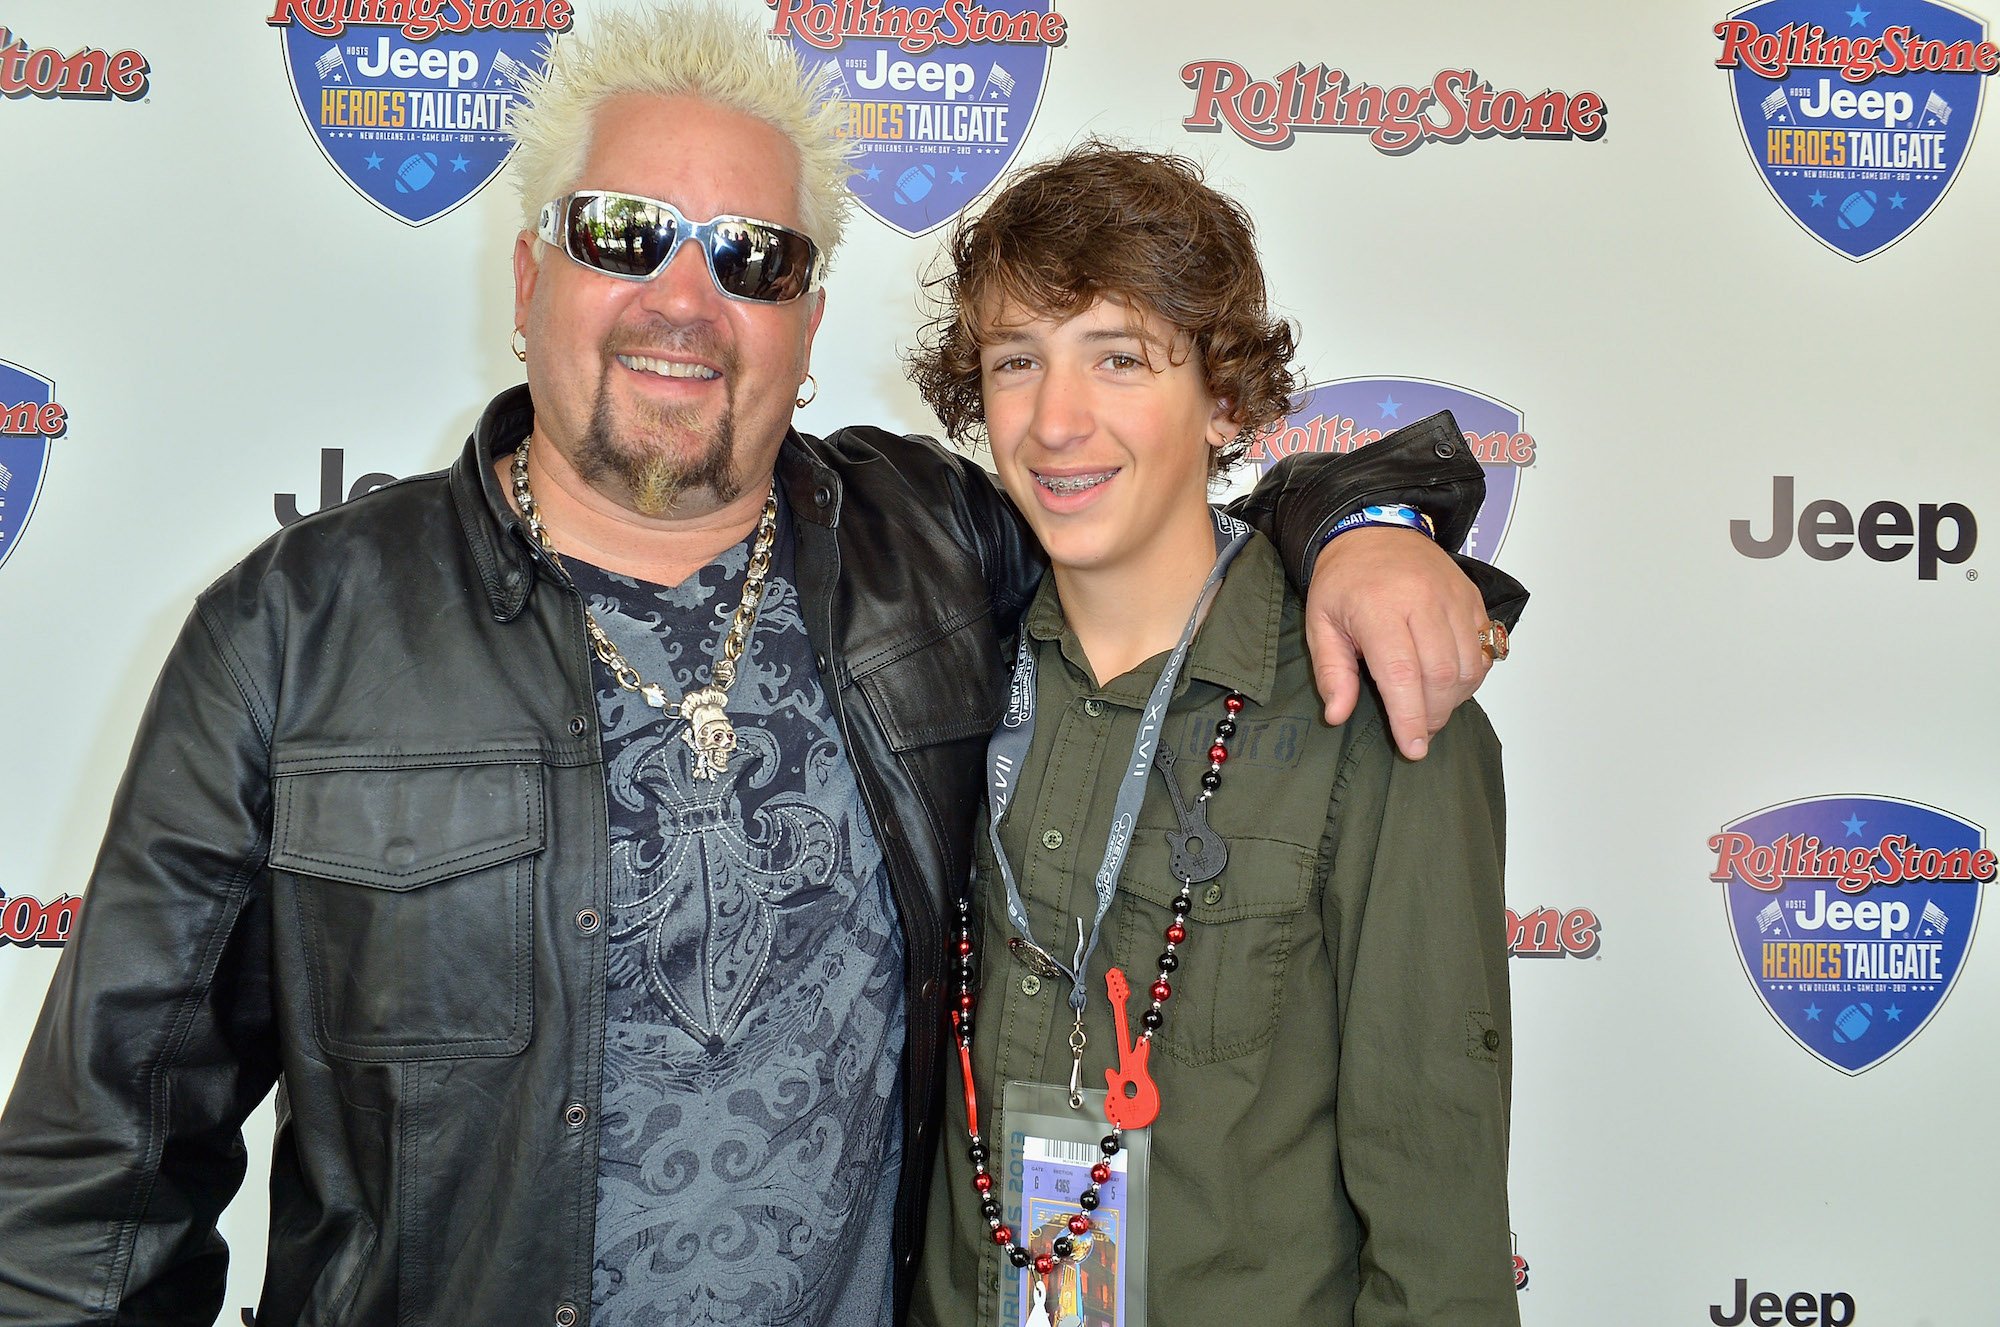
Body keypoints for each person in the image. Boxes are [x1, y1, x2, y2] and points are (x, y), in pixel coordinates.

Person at [0, 7, 1519, 1327]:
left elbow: (1172, 518)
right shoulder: (297, 630)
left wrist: (1369, 524)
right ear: (526, 278)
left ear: (806, 321)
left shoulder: (936, 550)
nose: (683, 300)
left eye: (751, 256)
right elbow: (99, 1174)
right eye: (621, 234)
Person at [906, 144, 1518, 1326]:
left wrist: (1372, 528)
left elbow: (1435, 1209)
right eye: (1016, 360)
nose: (1055, 421)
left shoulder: (1371, 711)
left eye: (1119, 358)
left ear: (1225, 401)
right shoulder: (934, 659)